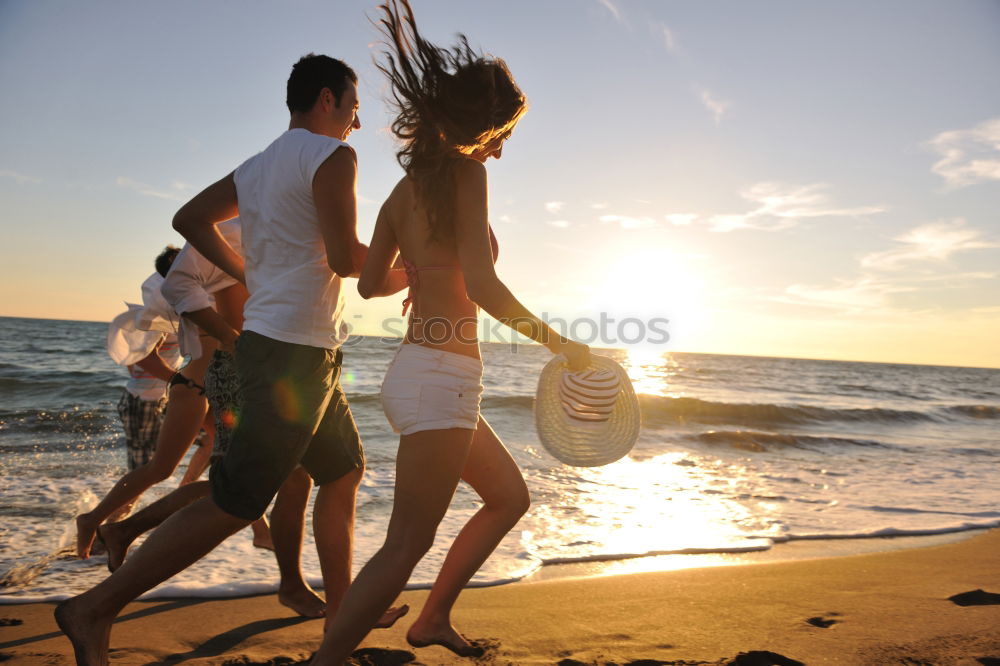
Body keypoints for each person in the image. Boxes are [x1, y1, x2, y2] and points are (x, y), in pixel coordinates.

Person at [56, 53, 403, 666]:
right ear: (326, 99)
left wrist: (250, 269)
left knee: (342, 471)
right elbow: (351, 261)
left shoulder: (261, 162)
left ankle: (340, 622)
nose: (355, 120)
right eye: (352, 105)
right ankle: (93, 607)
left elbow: (188, 217)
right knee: (234, 500)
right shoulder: (333, 157)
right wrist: (418, 267)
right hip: (292, 351)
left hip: (305, 349)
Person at [312, 2, 590, 662]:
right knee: (405, 543)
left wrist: (420, 272)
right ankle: (327, 658)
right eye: (504, 130)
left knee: (506, 496)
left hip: (423, 378)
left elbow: (371, 283)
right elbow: (485, 286)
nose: (504, 143)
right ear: (482, 125)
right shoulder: (470, 174)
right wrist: (565, 345)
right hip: (440, 381)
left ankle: (432, 617)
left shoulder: (401, 194)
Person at [97, 217, 328, 618]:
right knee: (207, 480)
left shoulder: (207, 287)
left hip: (220, 383)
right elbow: (233, 337)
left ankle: (120, 530)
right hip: (218, 384)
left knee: (244, 479)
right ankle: (110, 530)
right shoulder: (211, 285)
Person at [78, 251, 217, 556]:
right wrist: (179, 380)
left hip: (168, 398)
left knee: (212, 440)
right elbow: (140, 360)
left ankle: (183, 494)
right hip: (144, 400)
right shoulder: (161, 313)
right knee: (145, 471)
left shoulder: (179, 307)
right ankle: (105, 533)